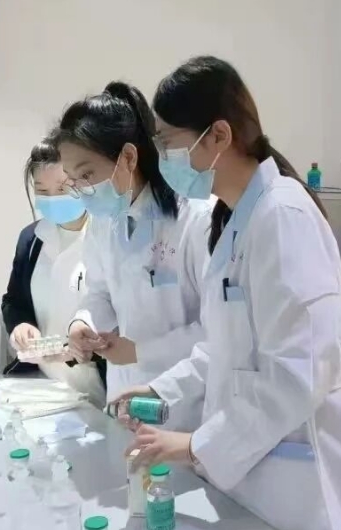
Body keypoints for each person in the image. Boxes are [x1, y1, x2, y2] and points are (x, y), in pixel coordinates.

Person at [115, 56, 341, 530]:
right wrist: (160, 390)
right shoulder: (234, 220)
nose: (162, 158)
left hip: (298, 487)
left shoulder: (283, 216)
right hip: (253, 475)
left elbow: (296, 375)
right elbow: (223, 349)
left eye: (168, 143)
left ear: (218, 135)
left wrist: (196, 445)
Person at [56, 81, 211, 430]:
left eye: (87, 174)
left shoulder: (195, 218)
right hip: (125, 395)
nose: (82, 189)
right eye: (73, 179)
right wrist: (83, 324)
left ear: (128, 157)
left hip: (187, 406)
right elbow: (99, 292)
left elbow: (217, 329)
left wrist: (141, 352)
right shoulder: (103, 221)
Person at [0, 139, 106, 406]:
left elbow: (124, 321)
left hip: (99, 391)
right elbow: (13, 301)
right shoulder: (31, 239)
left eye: (62, 188)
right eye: (42, 190)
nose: (53, 198)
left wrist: (75, 350)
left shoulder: (107, 236)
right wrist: (21, 326)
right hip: (46, 386)